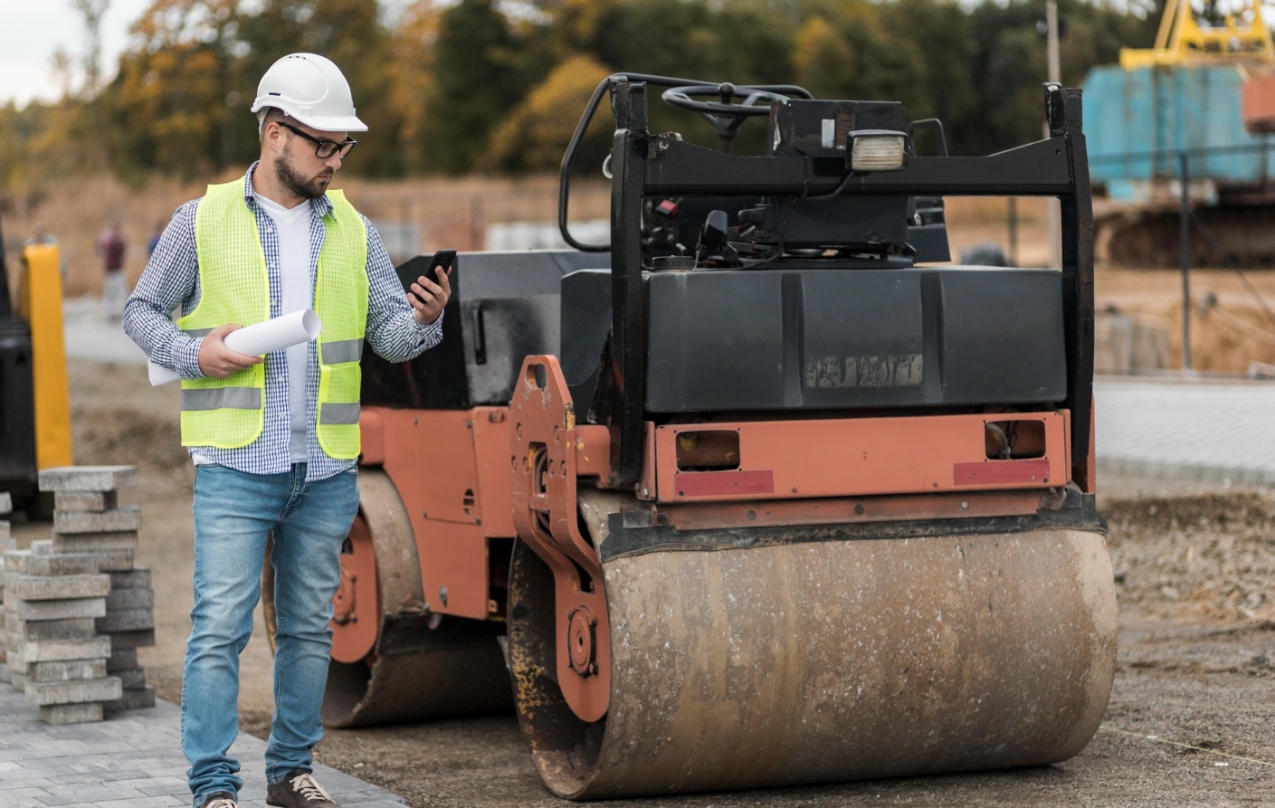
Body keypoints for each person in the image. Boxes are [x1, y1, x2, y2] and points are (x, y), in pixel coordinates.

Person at [122, 53, 452, 808]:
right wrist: (193, 352)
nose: (335, 160)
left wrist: (423, 320)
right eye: (323, 145)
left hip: (325, 467)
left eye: (344, 148)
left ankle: (290, 773)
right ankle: (212, 785)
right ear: (275, 133)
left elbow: (388, 340)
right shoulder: (198, 220)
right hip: (237, 462)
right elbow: (140, 312)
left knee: (308, 630)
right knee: (218, 632)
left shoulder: (354, 230)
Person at [96, 221, 127, 320]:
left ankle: (116, 311)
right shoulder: (111, 240)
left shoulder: (107, 239)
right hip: (112, 270)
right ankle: (110, 312)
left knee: (119, 292)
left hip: (115, 270)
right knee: (112, 292)